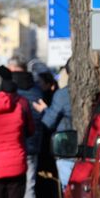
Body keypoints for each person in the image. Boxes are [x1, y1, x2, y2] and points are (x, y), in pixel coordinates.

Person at [7, 55, 44, 198]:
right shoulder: (35, 87)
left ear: (11, 69)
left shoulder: (7, 89)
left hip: (12, 144)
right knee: (29, 188)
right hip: (33, 143)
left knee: (10, 190)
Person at [33, 58, 74, 191]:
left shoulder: (62, 95)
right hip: (94, 148)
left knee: (68, 188)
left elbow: (48, 122)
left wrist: (44, 110)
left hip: (67, 147)